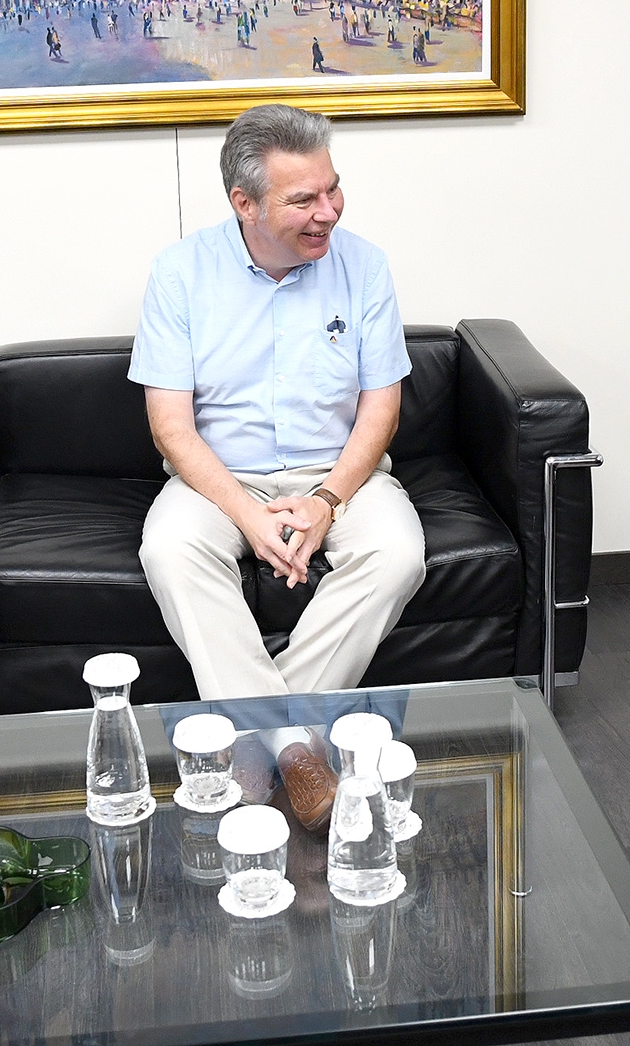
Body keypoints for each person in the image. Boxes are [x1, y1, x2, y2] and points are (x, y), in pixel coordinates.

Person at [129, 104, 426, 830]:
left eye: (333, 189)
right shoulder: (180, 273)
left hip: (340, 473)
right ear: (244, 203)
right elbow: (171, 430)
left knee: (398, 554)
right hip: (218, 476)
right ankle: (296, 745)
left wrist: (326, 500)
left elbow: (380, 411)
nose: (328, 212)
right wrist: (246, 513)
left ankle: (249, 751)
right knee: (169, 549)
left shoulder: (364, 266)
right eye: (303, 200)